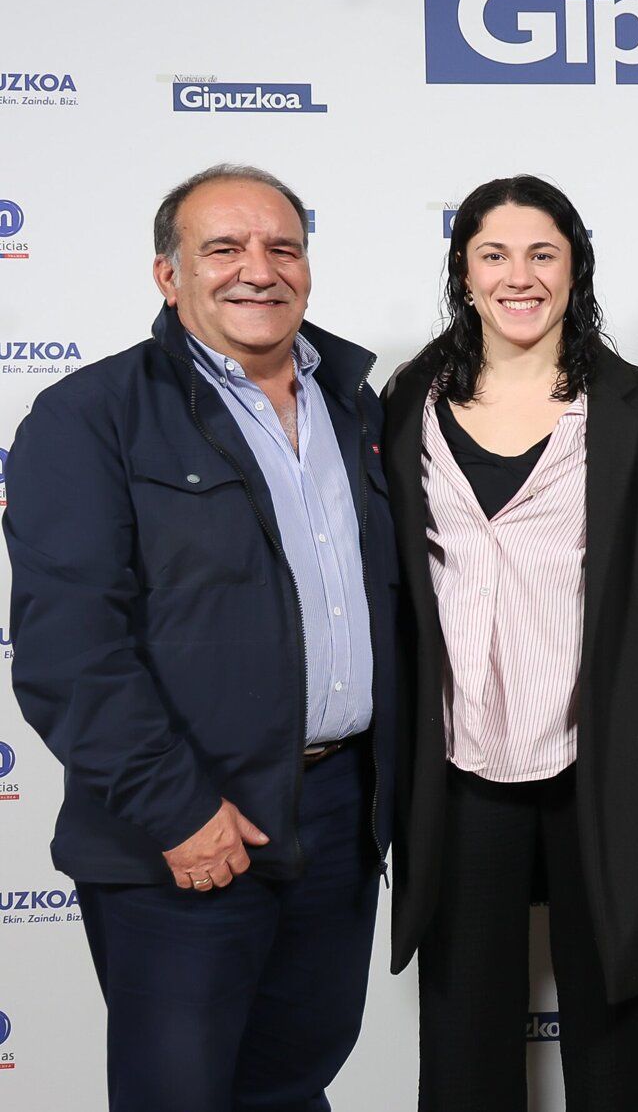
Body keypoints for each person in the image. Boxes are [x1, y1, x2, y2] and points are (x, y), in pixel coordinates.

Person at [3, 164, 396, 1111]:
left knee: (293, 1085)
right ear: (167, 273)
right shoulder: (89, 416)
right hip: (181, 830)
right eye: (222, 248)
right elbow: (69, 650)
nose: (257, 270)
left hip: (338, 817)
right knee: (178, 1095)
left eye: (282, 247)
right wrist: (177, 810)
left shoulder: (359, 409)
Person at [379, 175, 638, 1111]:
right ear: (464, 269)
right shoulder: (407, 400)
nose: (518, 277)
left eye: (542, 254)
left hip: (599, 755)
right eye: (494, 254)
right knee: (461, 1026)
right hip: (458, 763)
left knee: (608, 1021)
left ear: (575, 268)